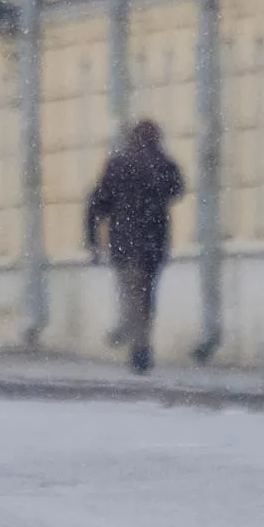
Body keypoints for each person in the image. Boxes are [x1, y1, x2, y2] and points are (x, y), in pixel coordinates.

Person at [86, 119, 184, 374]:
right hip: (153, 243)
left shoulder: (118, 164)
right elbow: (177, 190)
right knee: (146, 296)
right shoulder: (163, 163)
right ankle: (138, 340)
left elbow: (97, 204)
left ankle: (135, 341)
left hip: (123, 243)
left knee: (132, 294)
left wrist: (93, 242)